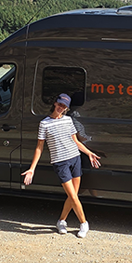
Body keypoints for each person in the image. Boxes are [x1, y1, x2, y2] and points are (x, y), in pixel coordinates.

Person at [21, 93, 101, 238]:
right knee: (72, 195)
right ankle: (84, 223)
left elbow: (76, 142)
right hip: (60, 162)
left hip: (75, 158)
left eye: (64, 106)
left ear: (66, 109)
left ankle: (61, 221)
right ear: (55, 103)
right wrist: (32, 169)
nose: (60, 108)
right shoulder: (44, 123)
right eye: (59, 104)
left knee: (73, 196)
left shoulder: (68, 120)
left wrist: (89, 153)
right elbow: (39, 148)